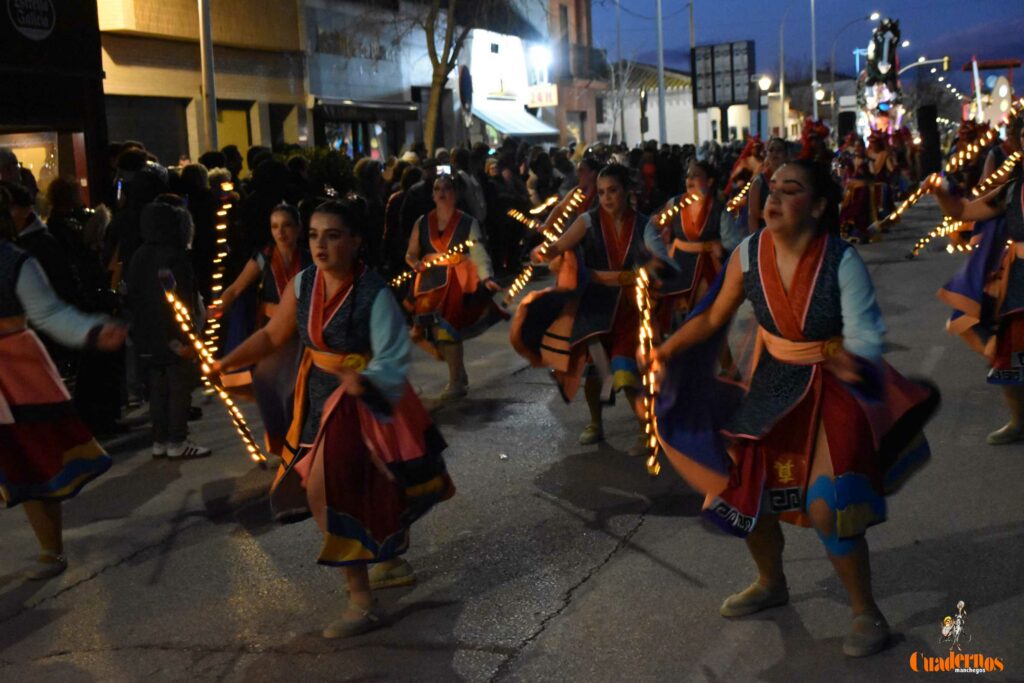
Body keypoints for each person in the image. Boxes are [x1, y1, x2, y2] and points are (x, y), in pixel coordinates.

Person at [646, 160, 938, 657]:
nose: (774, 198)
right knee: (749, 490)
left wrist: (853, 358)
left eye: (791, 189)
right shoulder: (748, 253)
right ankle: (771, 582)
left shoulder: (841, 259)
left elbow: (865, 334)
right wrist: (665, 352)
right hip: (773, 382)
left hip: (834, 386)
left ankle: (866, 612)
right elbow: (712, 317)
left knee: (830, 504)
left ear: (819, 206)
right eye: (771, 189)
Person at [213, 198, 455, 638]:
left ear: (356, 241)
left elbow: (393, 356)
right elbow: (272, 335)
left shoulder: (374, 292)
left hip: (360, 407)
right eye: (314, 236)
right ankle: (388, 560)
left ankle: (362, 602)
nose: (320, 245)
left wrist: (363, 379)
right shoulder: (303, 284)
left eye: (333, 235)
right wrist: (226, 363)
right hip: (315, 401)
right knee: (357, 492)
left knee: (335, 494)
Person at [0, 185, 127, 579]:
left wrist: (92, 330)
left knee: (29, 462)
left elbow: (51, 313)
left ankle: (51, 551)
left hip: (15, 372)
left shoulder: (15, 261)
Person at [512, 164, 673, 456]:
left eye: (613, 190)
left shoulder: (645, 225)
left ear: (627, 191)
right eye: (601, 192)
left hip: (630, 308)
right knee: (594, 374)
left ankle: (646, 431)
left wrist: (653, 271)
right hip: (595, 307)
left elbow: (658, 260)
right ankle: (595, 423)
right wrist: (545, 251)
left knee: (626, 372)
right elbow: (560, 245)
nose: (607, 197)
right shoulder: (587, 220)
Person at [933, 132, 1024, 444]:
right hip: (1018, 280)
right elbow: (962, 212)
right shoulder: (1011, 190)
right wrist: (940, 192)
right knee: (1006, 353)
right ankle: (1019, 421)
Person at [210, 203, 310, 457]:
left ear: (298, 229)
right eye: (275, 227)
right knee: (267, 385)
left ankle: (300, 443)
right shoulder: (264, 257)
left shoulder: (310, 259)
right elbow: (236, 288)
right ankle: (281, 443)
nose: (281, 232)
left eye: (286, 226)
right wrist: (218, 308)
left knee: (298, 390)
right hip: (272, 332)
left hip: (302, 335)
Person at [406, 174, 505, 399]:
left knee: (447, 330)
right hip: (429, 284)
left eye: (447, 188)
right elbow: (411, 254)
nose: (441, 192)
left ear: (456, 194)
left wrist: (486, 278)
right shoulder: (422, 222)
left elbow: (479, 253)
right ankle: (458, 372)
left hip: (457, 283)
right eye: (437, 188)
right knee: (425, 333)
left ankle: (455, 382)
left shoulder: (468, 222)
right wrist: (415, 263)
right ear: (432, 195)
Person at [127, 197, 212, 460]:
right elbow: (181, 299)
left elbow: (134, 297)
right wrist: (184, 338)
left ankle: (160, 439)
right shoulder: (175, 256)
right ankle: (177, 440)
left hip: (147, 335)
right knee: (179, 387)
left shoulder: (139, 256)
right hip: (174, 334)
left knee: (157, 389)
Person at [652, 160, 725, 331]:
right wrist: (657, 226)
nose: (690, 179)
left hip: (707, 263)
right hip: (679, 259)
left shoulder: (718, 208)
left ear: (709, 181)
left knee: (702, 308)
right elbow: (655, 225)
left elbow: (732, 240)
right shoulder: (675, 203)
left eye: (695, 176)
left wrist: (720, 247)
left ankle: (698, 335)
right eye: (688, 176)